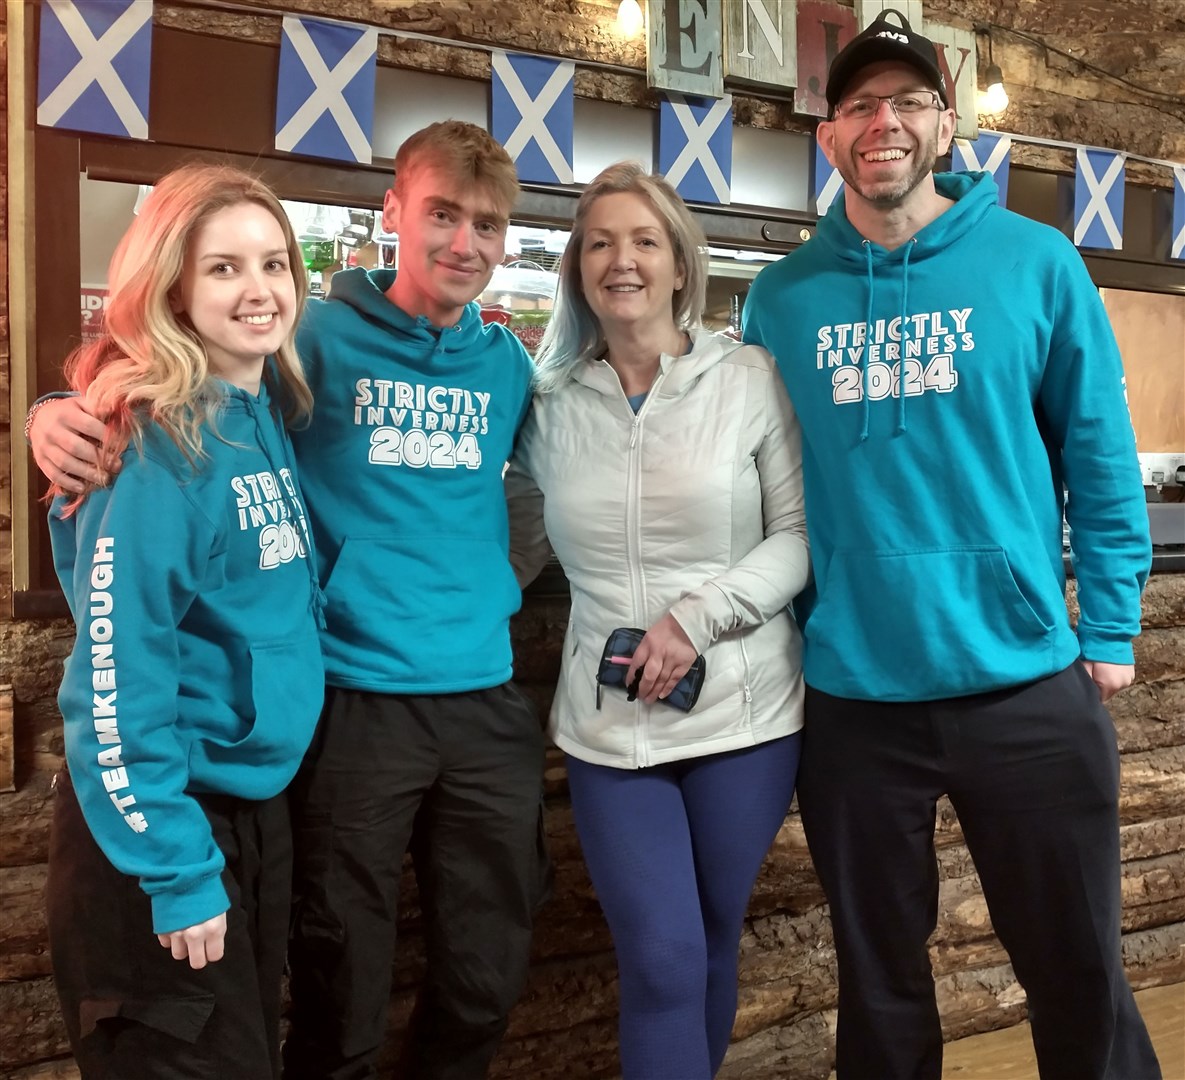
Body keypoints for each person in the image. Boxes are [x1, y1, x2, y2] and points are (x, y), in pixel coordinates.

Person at [30, 122, 547, 1080]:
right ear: (392, 212)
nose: (463, 242)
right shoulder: (293, 345)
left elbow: (541, 493)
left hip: (429, 713)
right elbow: (115, 672)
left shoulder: (496, 366)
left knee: (477, 978)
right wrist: (61, 410)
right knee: (329, 992)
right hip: (315, 727)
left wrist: (494, 582)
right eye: (441, 213)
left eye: (486, 223)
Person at [742, 9, 1161, 1080]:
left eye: (909, 103)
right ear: (828, 134)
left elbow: (1100, 456)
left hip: (1025, 679)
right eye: (859, 106)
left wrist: (1109, 625)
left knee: (1077, 969)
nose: (884, 123)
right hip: (853, 697)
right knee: (879, 982)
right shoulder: (780, 299)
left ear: (944, 127)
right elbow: (756, 487)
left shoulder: (1036, 262)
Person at [506, 162, 810, 1079]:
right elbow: (504, 540)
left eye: (643, 241)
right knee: (665, 954)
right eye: (598, 242)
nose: (621, 260)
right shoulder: (549, 406)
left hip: (744, 719)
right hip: (610, 731)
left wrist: (695, 616)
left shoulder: (748, 377)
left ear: (681, 265)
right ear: (576, 270)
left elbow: (797, 537)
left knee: (710, 941)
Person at [42, 164, 325, 1079]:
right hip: (161, 831)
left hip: (240, 811)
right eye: (223, 268)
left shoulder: (254, 408)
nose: (259, 290)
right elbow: (116, 685)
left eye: (274, 263)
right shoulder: (158, 439)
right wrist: (173, 866)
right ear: (169, 285)